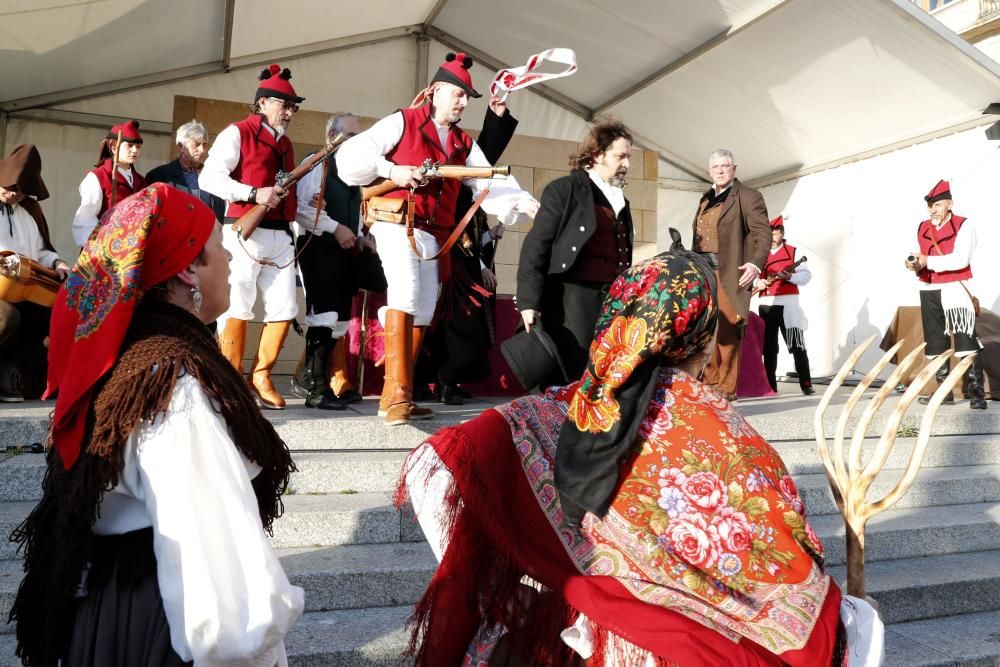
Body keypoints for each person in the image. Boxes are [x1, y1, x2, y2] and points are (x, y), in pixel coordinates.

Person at [401, 251, 868, 665]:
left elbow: (441, 472)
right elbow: (788, 564)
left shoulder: (549, 411)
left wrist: (549, 582)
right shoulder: (726, 433)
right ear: (699, 336)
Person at [9, 184, 303, 666]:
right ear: (188, 269)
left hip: (118, 610)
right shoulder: (173, 385)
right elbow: (225, 611)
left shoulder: (133, 359)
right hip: (160, 622)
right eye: (220, 248)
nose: (231, 260)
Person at [336, 52, 538, 426]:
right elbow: (351, 156)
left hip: (433, 235)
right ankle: (395, 395)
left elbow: (489, 178)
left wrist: (525, 202)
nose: (463, 101)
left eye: (466, 96)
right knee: (408, 293)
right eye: (458, 93)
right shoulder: (403, 121)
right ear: (435, 92)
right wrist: (393, 170)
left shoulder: (462, 142)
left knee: (426, 307)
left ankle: (400, 392)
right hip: (395, 223)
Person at [200, 63, 304, 410]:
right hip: (244, 231)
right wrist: (252, 193)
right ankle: (231, 381)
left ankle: (261, 377)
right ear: (262, 103)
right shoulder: (237, 133)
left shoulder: (285, 143)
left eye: (292, 107)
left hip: (279, 235)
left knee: (286, 306)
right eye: (282, 104)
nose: (288, 112)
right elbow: (209, 179)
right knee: (238, 307)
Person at [416, 94, 520, 405]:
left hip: (464, 260)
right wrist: (480, 266)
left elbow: (483, 158)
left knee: (454, 325)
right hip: (451, 260)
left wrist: (488, 236)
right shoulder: (447, 177)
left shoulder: (467, 176)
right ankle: (433, 382)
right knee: (445, 323)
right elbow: (458, 231)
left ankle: (446, 381)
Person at [516, 120, 634, 387]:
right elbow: (536, 245)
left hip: (610, 298)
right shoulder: (564, 190)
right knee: (573, 372)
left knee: (604, 370)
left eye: (628, 157)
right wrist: (528, 301)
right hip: (572, 298)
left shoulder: (620, 199)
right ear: (597, 155)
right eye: (620, 156)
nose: (627, 164)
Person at [292, 111, 387, 409]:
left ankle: (326, 383)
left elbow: (355, 213)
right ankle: (315, 388)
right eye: (348, 136)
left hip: (345, 252)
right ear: (331, 136)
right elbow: (302, 210)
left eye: (357, 137)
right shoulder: (317, 163)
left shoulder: (353, 173)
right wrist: (337, 228)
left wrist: (360, 236)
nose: (354, 142)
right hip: (318, 248)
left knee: (340, 323)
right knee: (324, 318)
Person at [690, 148, 770, 401]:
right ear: (709, 171)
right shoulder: (705, 199)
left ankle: (726, 388)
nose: (720, 170)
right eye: (715, 167)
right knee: (704, 328)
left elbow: (762, 233)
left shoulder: (748, 196)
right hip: (703, 272)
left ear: (734, 168)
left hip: (729, 271)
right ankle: (710, 382)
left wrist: (755, 264)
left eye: (725, 166)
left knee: (727, 329)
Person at [906, 179, 986, 409]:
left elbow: (961, 259)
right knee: (935, 341)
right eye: (930, 205)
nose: (933, 209)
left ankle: (977, 392)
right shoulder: (922, 226)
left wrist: (927, 260)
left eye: (938, 204)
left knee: (965, 337)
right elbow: (922, 255)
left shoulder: (964, 225)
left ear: (949, 204)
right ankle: (944, 392)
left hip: (954, 287)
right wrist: (915, 265)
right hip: (929, 287)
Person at [0, 144, 70, 401]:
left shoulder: (30, 210)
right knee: (7, 317)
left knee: (54, 317)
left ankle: (30, 385)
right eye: (11, 187)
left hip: (25, 289)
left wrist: (57, 263)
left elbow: (41, 251)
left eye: (22, 190)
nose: (16, 194)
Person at [754, 215, 815, 395]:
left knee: (797, 345)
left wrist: (790, 277)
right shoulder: (760, 253)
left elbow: (806, 276)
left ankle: (806, 383)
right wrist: (759, 282)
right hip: (766, 304)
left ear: (781, 233)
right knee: (769, 348)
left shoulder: (793, 251)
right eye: (768, 234)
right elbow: (754, 276)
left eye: (774, 234)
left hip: (789, 304)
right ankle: (770, 386)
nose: (771, 238)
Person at [72, 119, 147, 246]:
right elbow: (85, 218)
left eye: (138, 147)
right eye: (129, 145)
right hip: (102, 252)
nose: (135, 150)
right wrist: (103, 246)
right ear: (113, 146)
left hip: (131, 252)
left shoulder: (142, 182)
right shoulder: (97, 177)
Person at [146, 120, 226, 222]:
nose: (202, 150)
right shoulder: (160, 177)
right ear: (181, 146)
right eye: (196, 144)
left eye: (205, 145)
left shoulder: (215, 177)